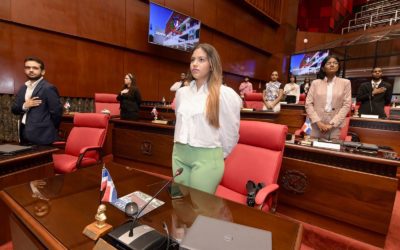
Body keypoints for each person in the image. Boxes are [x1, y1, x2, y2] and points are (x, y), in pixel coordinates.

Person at [172, 43, 242, 194]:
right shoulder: (181, 93)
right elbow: (179, 122)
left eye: (201, 59)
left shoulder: (224, 94)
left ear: (212, 64)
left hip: (207, 158)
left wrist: (216, 157)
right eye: (192, 60)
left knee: (200, 209)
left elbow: (231, 133)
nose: (195, 64)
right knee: (180, 204)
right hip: (179, 154)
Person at [11, 57, 63, 145]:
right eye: (28, 67)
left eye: (35, 68)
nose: (31, 70)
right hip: (23, 131)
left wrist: (49, 129)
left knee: (43, 159)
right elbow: (14, 109)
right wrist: (24, 105)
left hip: (42, 135)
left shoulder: (48, 88)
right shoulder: (23, 88)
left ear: (43, 72)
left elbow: (57, 113)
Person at [305, 55, 351, 140]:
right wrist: (318, 122)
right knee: (313, 150)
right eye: (329, 63)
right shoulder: (315, 83)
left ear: (338, 66)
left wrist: (332, 124)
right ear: (323, 68)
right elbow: (308, 103)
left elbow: (347, 105)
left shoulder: (346, 83)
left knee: (331, 150)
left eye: (335, 63)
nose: (332, 65)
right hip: (316, 123)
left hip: (335, 124)